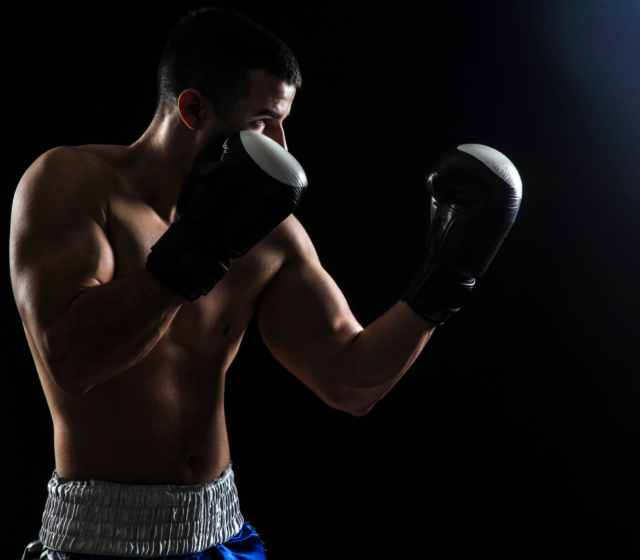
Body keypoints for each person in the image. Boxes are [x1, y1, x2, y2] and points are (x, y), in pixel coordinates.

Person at [10, 7, 522, 560]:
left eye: (283, 121)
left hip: (223, 533)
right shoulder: (73, 183)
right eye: (262, 120)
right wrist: (199, 247)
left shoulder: (271, 234)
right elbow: (73, 361)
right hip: (99, 542)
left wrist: (444, 281)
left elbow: (350, 381)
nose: (282, 144)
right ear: (193, 108)